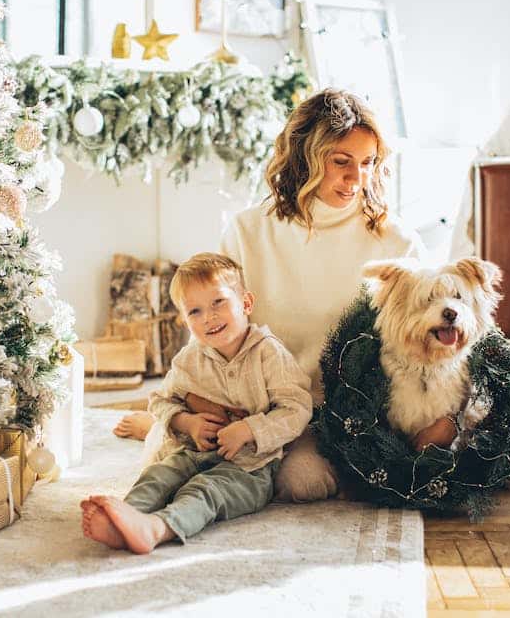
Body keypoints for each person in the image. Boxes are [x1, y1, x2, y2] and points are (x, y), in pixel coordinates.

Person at [113, 88, 457, 501]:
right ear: (305, 158)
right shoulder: (248, 230)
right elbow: (210, 317)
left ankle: (153, 425)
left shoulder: (395, 241)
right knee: (179, 462)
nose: (356, 179)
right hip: (256, 403)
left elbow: (432, 334)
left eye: (368, 163)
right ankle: (153, 425)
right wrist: (198, 399)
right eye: (341, 162)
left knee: (301, 483)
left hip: (340, 415)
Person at [82, 252, 312, 554]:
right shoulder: (190, 359)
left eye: (219, 302)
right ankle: (124, 517)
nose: (209, 317)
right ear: (185, 321)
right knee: (159, 475)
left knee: (204, 491)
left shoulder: (268, 354)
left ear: (246, 303)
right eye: (195, 311)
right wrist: (186, 423)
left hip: (250, 469)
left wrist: (249, 429)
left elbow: (297, 408)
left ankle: (158, 528)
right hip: (192, 454)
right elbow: (162, 401)